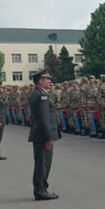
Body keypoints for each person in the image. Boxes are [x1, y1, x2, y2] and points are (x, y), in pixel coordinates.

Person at [28, 69, 60, 201]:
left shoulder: (39, 93)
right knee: (43, 164)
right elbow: (43, 119)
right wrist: (48, 138)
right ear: (40, 81)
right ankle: (41, 190)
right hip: (43, 136)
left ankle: (41, 188)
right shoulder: (41, 96)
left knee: (42, 163)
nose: (50, 81)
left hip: (40, 135)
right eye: (47, 79)